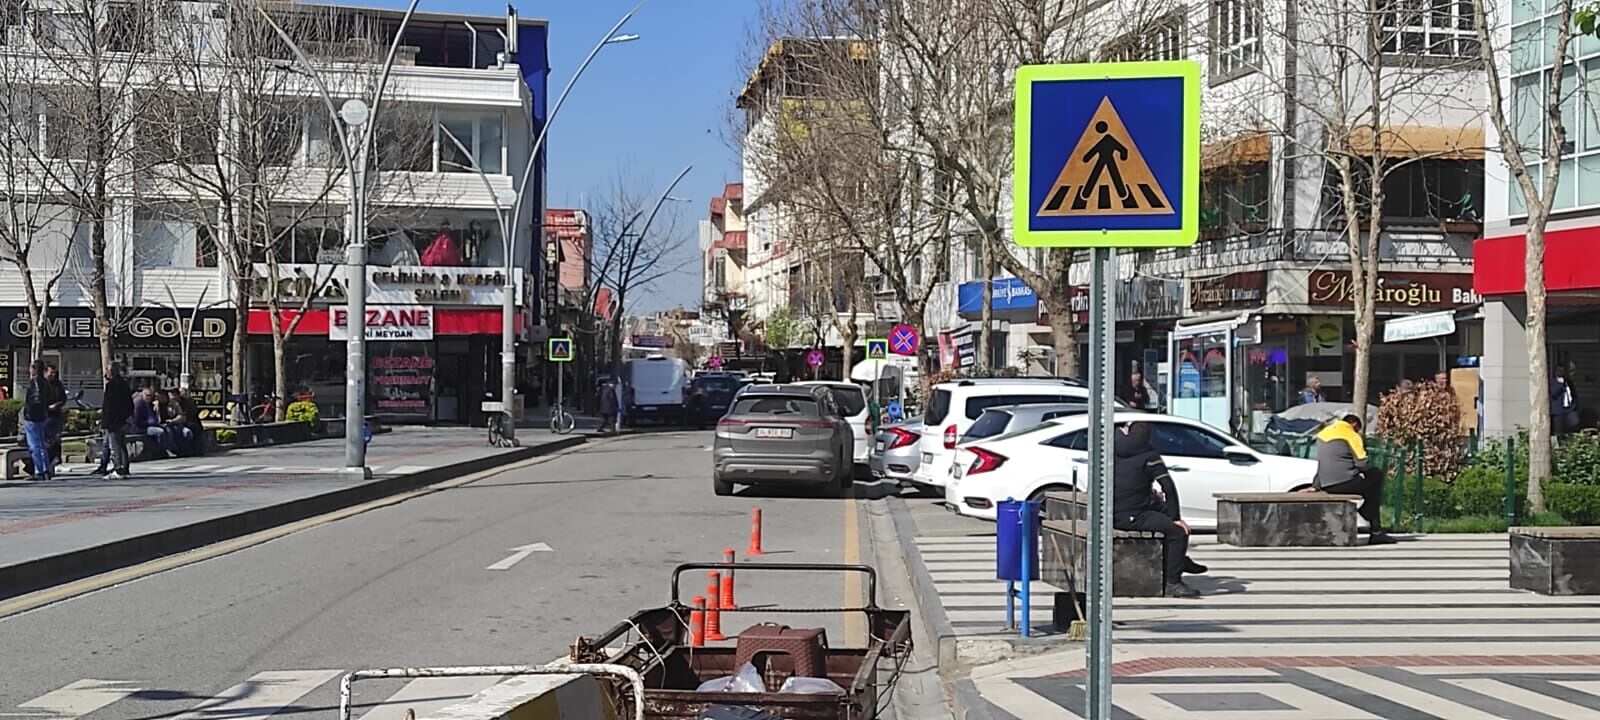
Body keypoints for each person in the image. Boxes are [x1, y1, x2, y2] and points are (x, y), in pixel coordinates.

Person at [1113, 422, 1203, 598]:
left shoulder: (1114, 450)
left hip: (1115, 510)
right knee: (1178, 532)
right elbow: (1168, 487)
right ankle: (1173, 583)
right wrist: (1176, 518)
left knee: (1163, 509)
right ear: (1149, 437)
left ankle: (1177, 559)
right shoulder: (1149, 455)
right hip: (1132, 515)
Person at [1310, 414, 1395, 545]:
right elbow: (1362, 464)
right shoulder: (1351, 435)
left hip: (1326, 484)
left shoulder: (1323, 434)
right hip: (1345, 482)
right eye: (1358, 429)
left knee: (1370, 486)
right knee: (1376, 476)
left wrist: (1315, 485)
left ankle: (1369, 515)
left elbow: (1323, 462)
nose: (1358, 431)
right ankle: (1375, 530)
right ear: (1354, 424)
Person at [96, 364, 134, 478]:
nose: (105, 372)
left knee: (115, 445)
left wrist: (106, 421)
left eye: (107, 370)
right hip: (122, 419)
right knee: (121, 444)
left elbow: (110, 406)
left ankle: (118, 468)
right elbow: (129, 403)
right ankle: (124, 467)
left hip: (114, 421)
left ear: (111, 371)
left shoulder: (112, 385)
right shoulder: (123, 383)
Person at [22, 359, 57, 481]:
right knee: (41, 444)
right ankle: (45, 469)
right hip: (42, 416)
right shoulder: (45, 382)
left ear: (35, 369)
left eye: (31, 367)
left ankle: (39, 471)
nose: (29, 369)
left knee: (35, 445)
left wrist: (29, 411)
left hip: (33, 417)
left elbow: (37, 399)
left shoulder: (36, 381)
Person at [131, 386, 171, 458]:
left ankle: (166, 449)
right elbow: (137, 421)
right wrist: (150, 423)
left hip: (151, 425)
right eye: (147, 395)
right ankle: (160, 452)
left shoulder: (150, 403)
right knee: (160, 432)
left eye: (150, 396)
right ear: (143, 394)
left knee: (167, 429)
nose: (149, 398)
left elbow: (157, 417)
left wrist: (157, 409)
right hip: (140, 427)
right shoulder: (138, 403)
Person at [44, 364, 67, 468]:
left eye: (54, 373)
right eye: (51, 373)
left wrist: (57, 405)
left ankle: (57, 460)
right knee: (47, 440)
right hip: (45, 415)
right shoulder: (42, 384)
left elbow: (63, 399)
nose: (53, 375)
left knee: (57, 438)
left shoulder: (58, 384)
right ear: (45, 373)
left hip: (55, 415)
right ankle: (48, 461)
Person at [168, 387, 202, 456]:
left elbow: (188, 414)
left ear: (178, 395)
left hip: (188, 421)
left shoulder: (187, 402)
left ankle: (187, 450)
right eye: (171, 398)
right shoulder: (169, 403)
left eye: (174, 397)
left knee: (191, 430)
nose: (173, 399)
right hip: (175, 423)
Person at [1552, 366, 1578, 437]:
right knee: (1559, 432)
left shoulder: (1568, 382)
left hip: (1570, 409)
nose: (1561, 372)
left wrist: (1574, 405)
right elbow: (1554, 394)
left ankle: (1571, 442)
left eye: (1562, 371)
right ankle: (1562, 445)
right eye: (1559, 371)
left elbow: (1573, 394)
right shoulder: (1553, 382)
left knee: (1574, 426)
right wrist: (1560, 384)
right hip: (1558, 411)